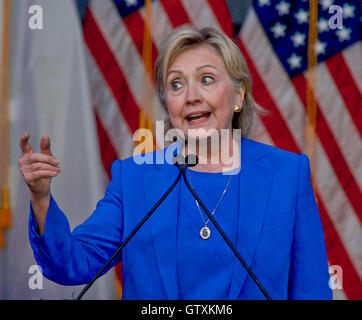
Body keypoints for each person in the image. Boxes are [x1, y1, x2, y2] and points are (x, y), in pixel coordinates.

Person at [18, 25, 332, 300]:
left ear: (238, 95)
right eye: (176, 84)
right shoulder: (135, 178)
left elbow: (312, 289)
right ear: (168, 102)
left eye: (206, 79)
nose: (191, 96)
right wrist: (41, 198)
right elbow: (73, 263)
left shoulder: (287, 175)